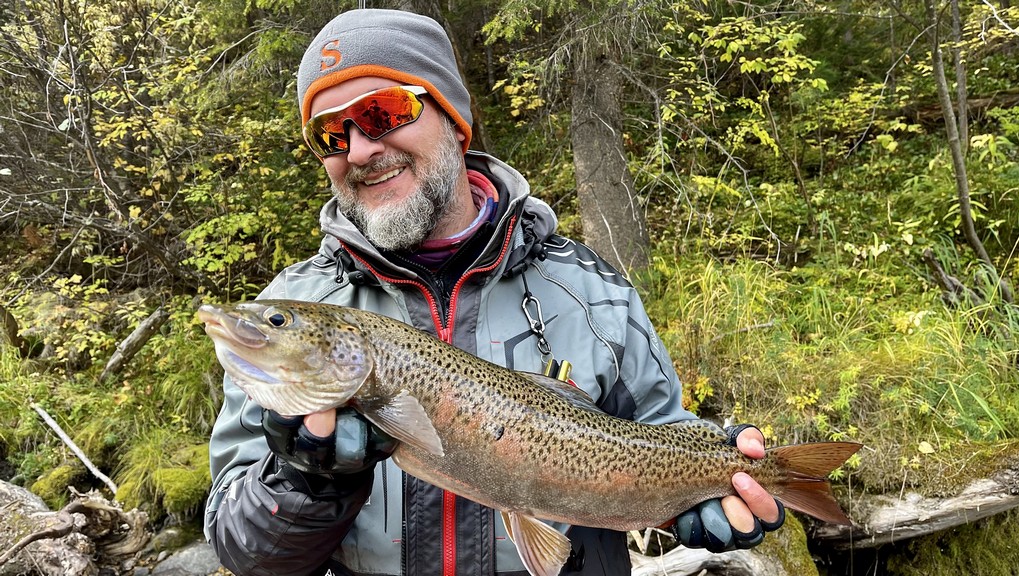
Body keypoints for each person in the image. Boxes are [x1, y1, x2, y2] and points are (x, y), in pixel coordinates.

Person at [204, 9, 785, 576]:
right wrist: (305, 482)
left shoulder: (591, 290)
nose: (358, 149)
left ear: (455, 117)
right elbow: (242, 549)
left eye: (381, 112)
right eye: (330, 133)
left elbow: (663, 433)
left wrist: (717, 477)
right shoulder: (297, 303)